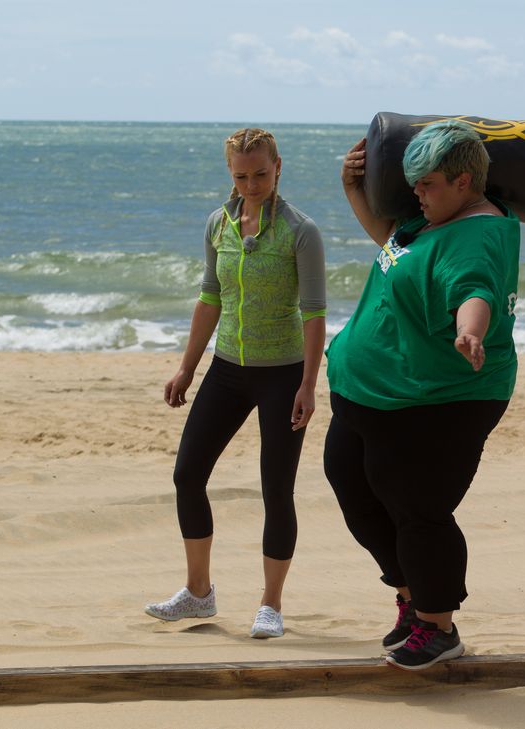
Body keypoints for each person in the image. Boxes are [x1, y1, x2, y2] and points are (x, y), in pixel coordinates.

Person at [323, 121, 520, 670]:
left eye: (427, 183)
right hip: (373, 394)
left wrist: (470, 331)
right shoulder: (432, 219)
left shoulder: (473, 236)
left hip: (434, 401)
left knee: (418, 510)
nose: (417, 192)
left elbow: (473, 289)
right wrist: (352, 191)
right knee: (357, 492)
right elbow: (391, 245)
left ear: (463, 182)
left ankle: (438, 626)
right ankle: (412, 600)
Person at [145, 128, 326, 639]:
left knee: (276, 489)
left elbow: (314, 314)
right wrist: (187, 367)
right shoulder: (217, 225)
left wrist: (309, 385)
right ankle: (198, 593)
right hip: (227, 370)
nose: (252, 184)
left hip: (283, 375)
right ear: (230, 173)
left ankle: (271, 604)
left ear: (279, 167)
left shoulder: (301, 231)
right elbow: (210, 298)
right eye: (241, 176)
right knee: (187, 476)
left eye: (261, 174)